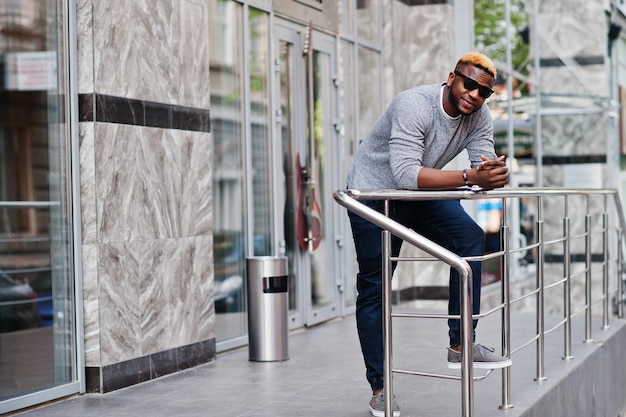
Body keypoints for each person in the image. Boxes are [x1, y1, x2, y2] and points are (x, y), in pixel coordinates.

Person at [346, 52, 512, 417]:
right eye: (468, 84)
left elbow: (481, 167)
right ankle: (380, 388)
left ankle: (460, 344)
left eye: (484, 92)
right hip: (373, 197)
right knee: (375, 287)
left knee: (469, 237)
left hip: (417, 195)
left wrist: (496, 173)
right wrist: (471, 178)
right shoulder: (413, 105)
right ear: (451, 77)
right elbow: (406, 173)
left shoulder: (479, 116)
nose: (474, 95)